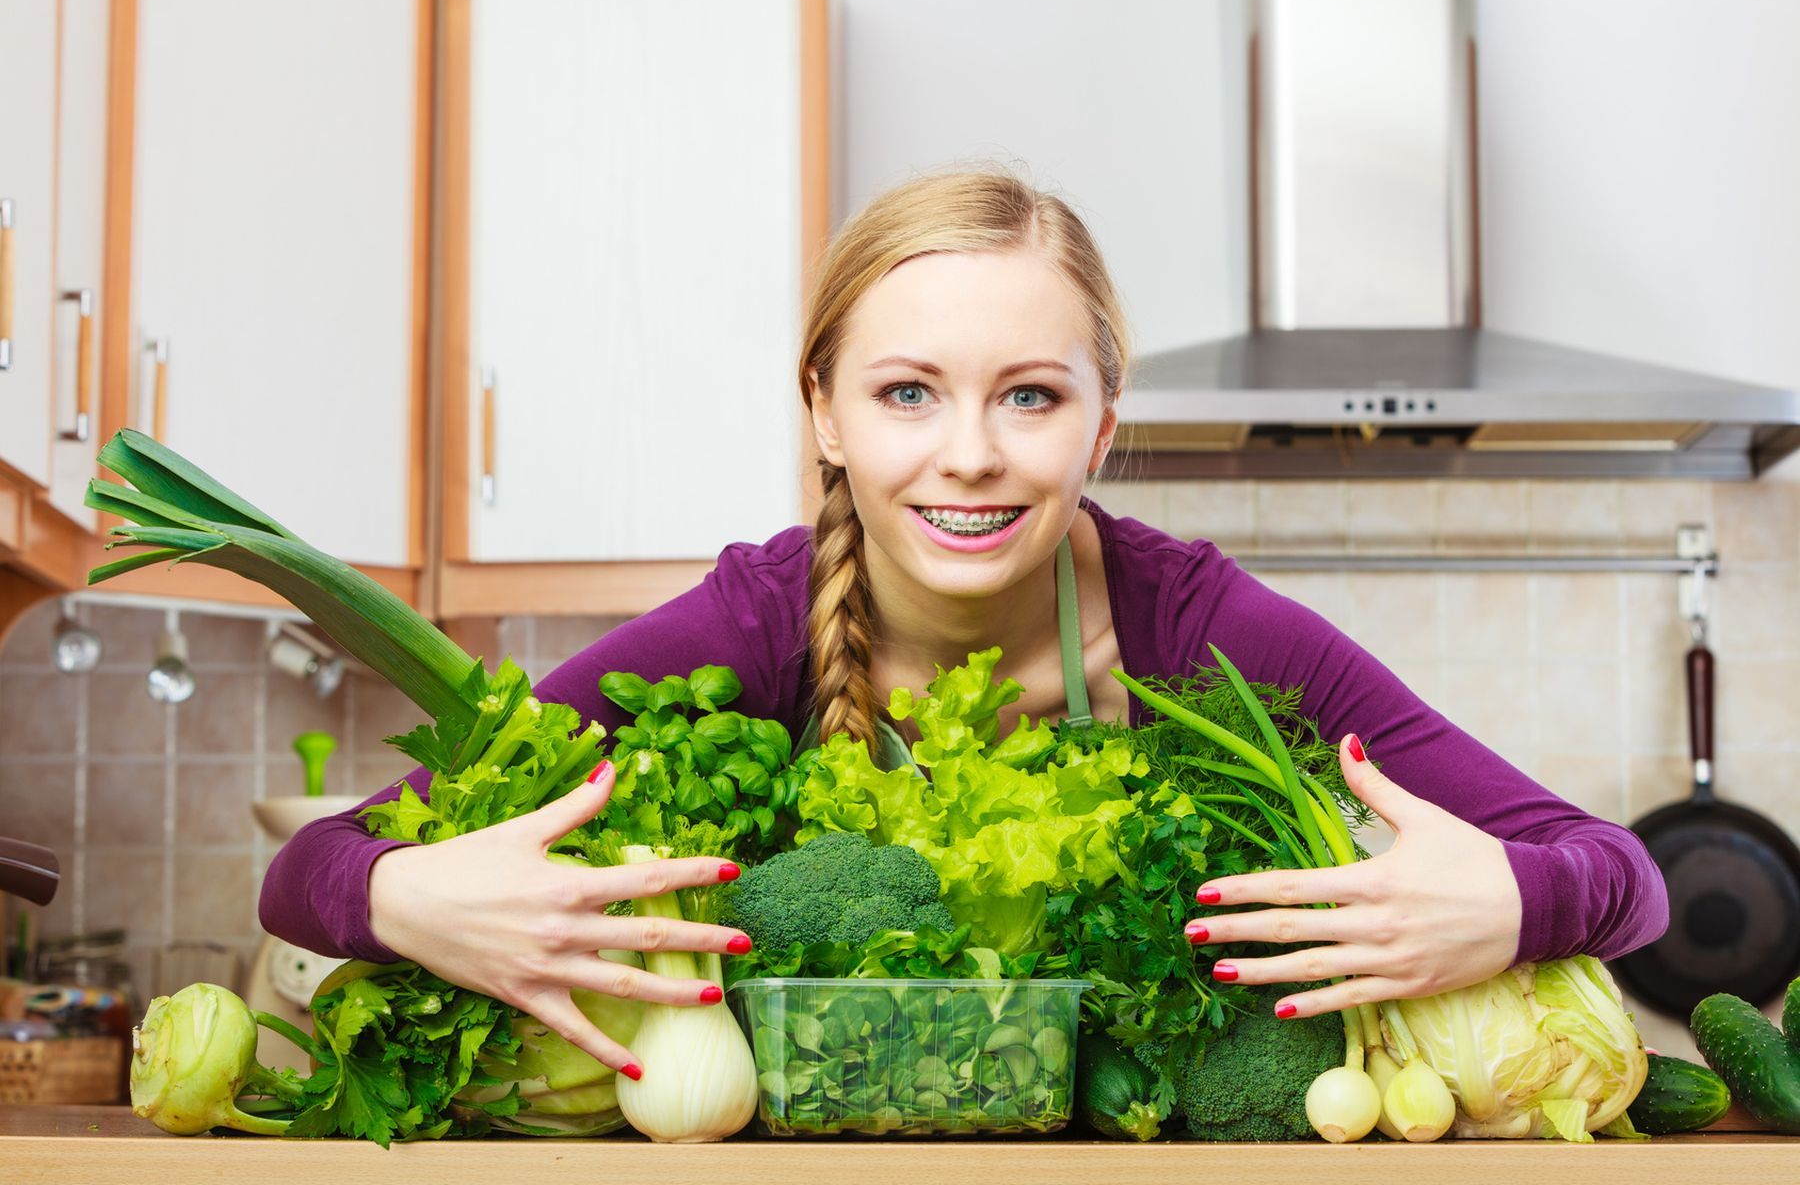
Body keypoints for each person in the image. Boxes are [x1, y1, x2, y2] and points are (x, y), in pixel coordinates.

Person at [261, 171, 1668, 1079]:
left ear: (1102, 426)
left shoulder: (1196, 629)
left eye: (1031, 397)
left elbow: (1617, 873)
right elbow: (312, 869)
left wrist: (1513, 900)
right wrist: (401, 896)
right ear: (823, 410)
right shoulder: (750, 625)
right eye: (909, 392)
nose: (973, 456)